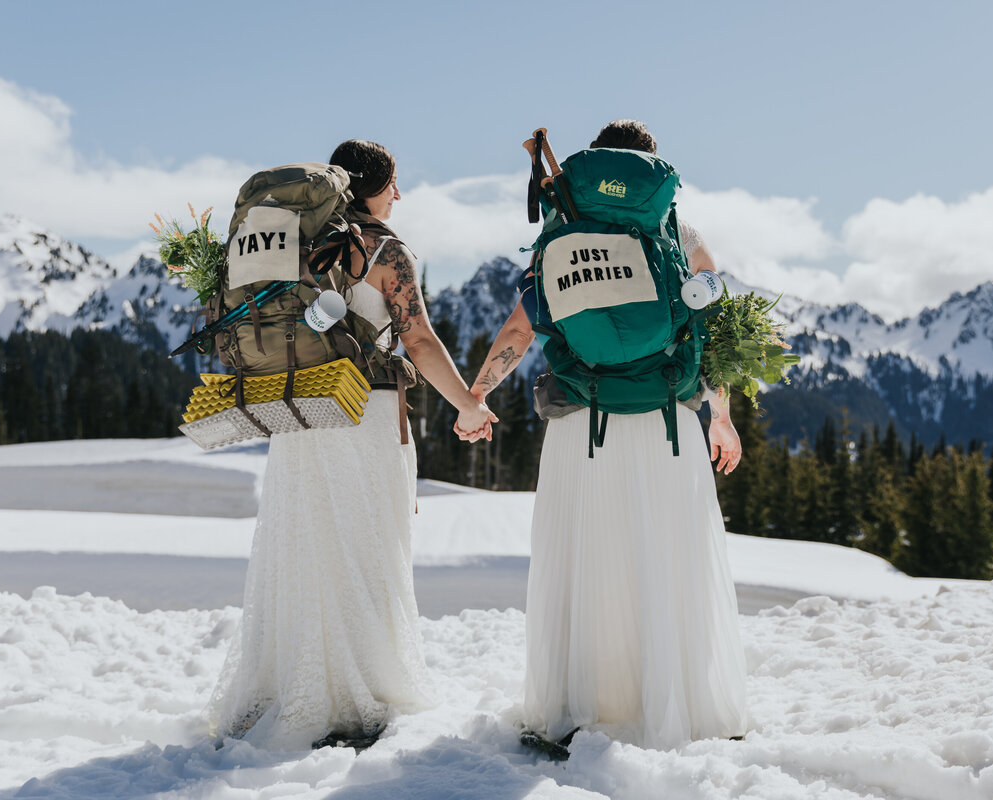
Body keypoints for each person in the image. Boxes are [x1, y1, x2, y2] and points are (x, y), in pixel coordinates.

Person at [207, 140, 496, 750]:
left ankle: (288, 685)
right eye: (394, 184)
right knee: (367, 540)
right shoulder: (385, 250)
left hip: (301, 405)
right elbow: (416, 339)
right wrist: (468, 404)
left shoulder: (296, 244)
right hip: (365, 408)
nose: (399, 196)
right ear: (370, 187)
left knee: (302, 540)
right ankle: (362, 691)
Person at [470, 120, 748, 751]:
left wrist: (478, 392)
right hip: (666, 422)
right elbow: (713, 340)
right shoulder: (680, 235)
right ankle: (673, 707)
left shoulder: (559, 237)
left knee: (587, 554)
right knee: (666, 555)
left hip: (581, 425)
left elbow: (519, 331)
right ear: (652, 173)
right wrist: (721, 417)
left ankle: (584, 703)